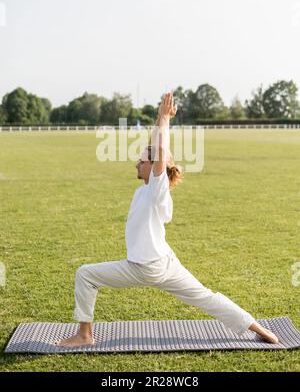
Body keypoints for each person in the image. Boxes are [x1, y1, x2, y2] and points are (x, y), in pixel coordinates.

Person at [56, 92, 279, 347]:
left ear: (153, 167)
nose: (136, 165)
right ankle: (260, 329)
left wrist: (164, 119)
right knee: (206, 297)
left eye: (141, 162)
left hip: (146, 267)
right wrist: (157, 120)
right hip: (166, 262)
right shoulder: (148, 189)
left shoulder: (155, 190)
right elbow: (155, 148)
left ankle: (85, 335)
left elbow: (159, 150)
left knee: (85, 274)